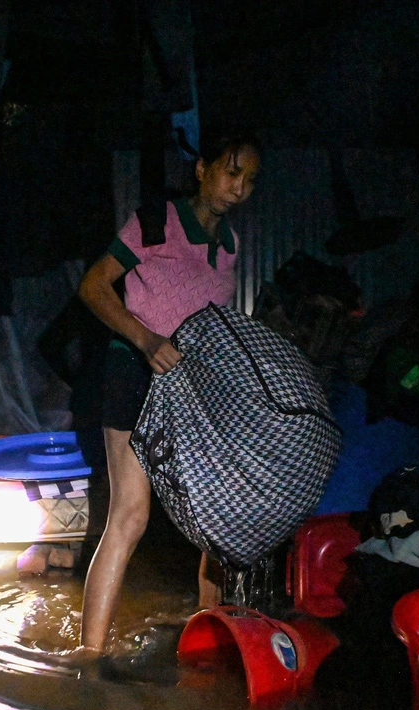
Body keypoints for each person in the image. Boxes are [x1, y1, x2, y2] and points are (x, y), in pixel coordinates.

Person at [76, 134, 262, 654]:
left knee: (215, 517)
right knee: (131, 516)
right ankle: (89, 660)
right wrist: (145, 338)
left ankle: (209, 638)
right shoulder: (154, 222)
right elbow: (93, 286)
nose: (239, 188)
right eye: (231, 172)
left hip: (189, 390)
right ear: (202, 169)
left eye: (248, 179)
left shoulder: (229, 246)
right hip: (132, 372)